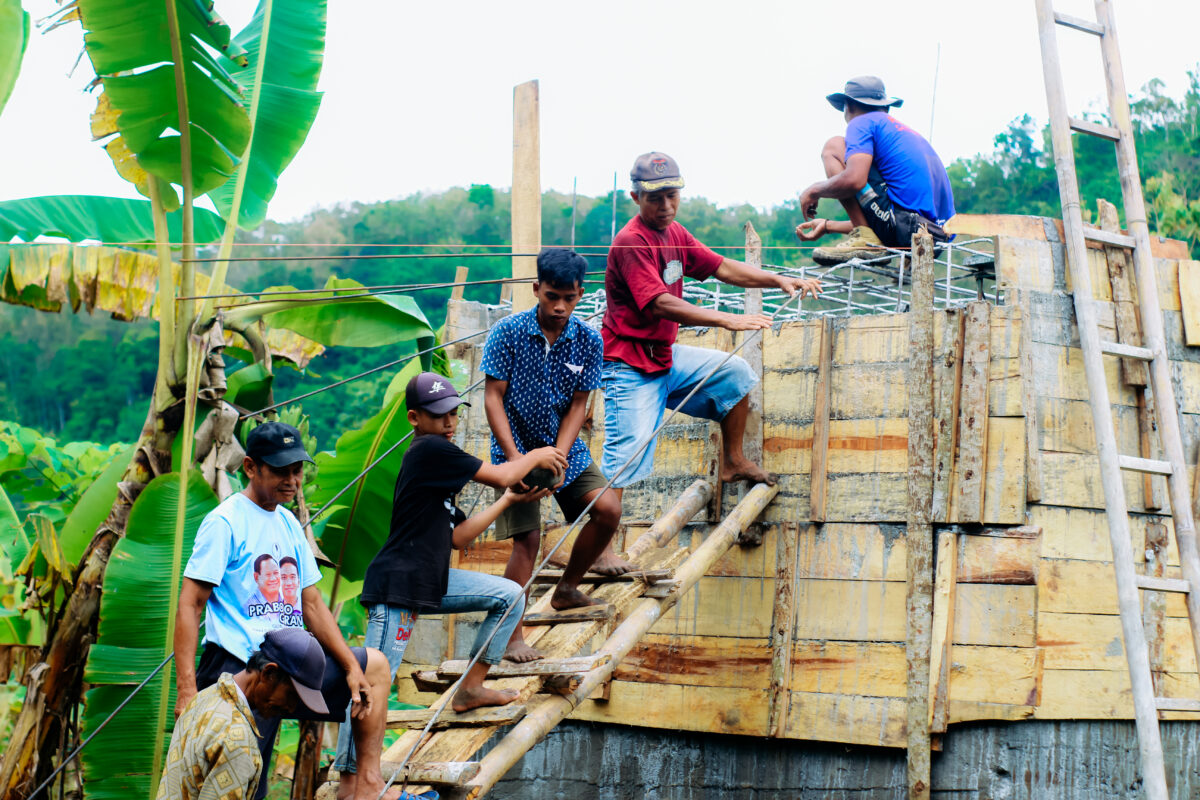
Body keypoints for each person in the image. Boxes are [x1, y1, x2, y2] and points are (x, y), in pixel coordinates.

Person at [332, 373, 568, 774]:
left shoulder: (439, 464)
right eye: (438, 414)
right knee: (371, 685)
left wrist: (509, 500)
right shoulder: (429, 451)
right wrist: (541, 453)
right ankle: (351, 778)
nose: (449, 421)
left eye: (454, 412)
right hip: (398, 588)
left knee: (510, 594)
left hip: (430, 582)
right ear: (414, 418)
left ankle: (470, 688)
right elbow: (502, 473)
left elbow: (458, 537)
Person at [174, 421, 397, 800]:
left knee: (373, 668)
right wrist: (186, 690)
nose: (292, 480)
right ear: (250, 467)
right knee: (242, 780)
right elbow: (190, 603)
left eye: (297, 470)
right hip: (242, 668)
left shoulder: (289, 522)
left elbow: (311, 603)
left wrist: (349, 665)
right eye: (281, 470)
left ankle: (365, 788)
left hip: (291, 662)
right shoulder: (225, 522)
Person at [602, 151, 822, 494]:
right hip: (629, 365)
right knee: (625, 464)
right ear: (635, 197)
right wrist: (727, 319)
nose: (665, 206)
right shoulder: (632, 240)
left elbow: (720, 266)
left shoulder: (675, 233)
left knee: (734, 376)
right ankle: (601, 547)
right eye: (655, 198)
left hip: (663, 356)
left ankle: (733, 462)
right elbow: (659, 303)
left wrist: (776, 279)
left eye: (671, 196)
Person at [481, 248, 623, 660]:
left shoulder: (588, 340)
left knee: (608, 509)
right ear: (536, 289)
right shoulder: (507, 332)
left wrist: (558, 457)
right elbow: (493, 398)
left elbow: (580, 404)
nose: (559, 306)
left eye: (569, 297)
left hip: (566, 450)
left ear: (581, 293)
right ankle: (511, 638)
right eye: (551, 296)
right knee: (526, 542)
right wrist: (516, 461)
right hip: (514, 451)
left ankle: (566, 589)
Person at [157, 628, 335, 800]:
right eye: (291, 695)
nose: (290, 708)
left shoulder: (203, 698)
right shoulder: (237, 740)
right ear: (268, 673)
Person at [796, 75, 956, 265]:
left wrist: (814, 190)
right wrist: (828, 226)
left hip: (907, 230)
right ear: (885, 107)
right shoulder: (909, 136)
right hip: (935, 239)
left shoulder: (861, 123)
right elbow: (897, 220)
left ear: (850, 106)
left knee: (835, 146)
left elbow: (855, 180)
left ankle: (866, 242)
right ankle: (866, 238)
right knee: (862, 168)